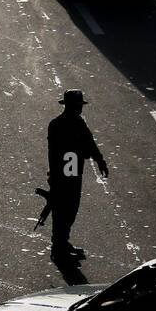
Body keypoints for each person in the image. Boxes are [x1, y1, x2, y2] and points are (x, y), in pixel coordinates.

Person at [46, 90, 108, 262]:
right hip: (69, 170)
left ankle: (61, 243)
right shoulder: (71, 124)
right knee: (67, 209)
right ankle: (59, 246)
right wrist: (98, 159)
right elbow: (86, 145)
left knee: (65, 209)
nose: (80, 109)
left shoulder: (58, 124)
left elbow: (87, 143)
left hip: (65, 170)